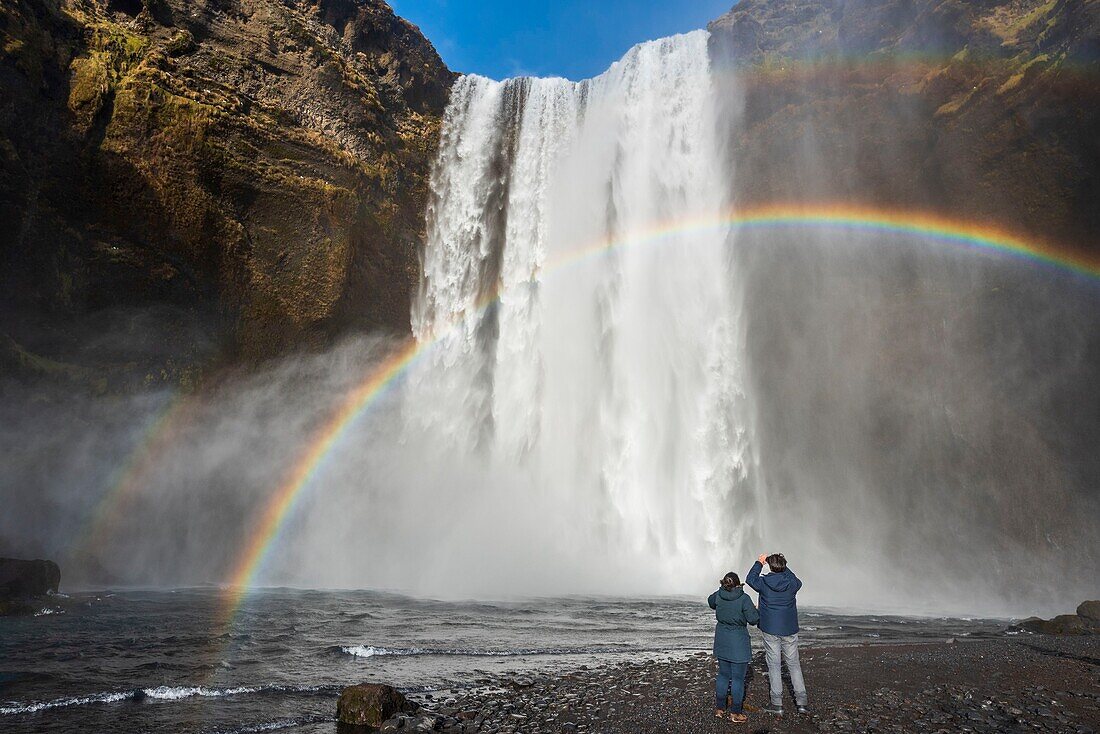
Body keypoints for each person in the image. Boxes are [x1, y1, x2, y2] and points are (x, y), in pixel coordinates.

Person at [746, 553, 808, 715]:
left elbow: (750, 579)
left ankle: (777, 704)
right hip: (789, 628)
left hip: (770, 629)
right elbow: (797, 579)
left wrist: (759, 563)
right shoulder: (792, 583)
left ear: (770, 566)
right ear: (783, 566)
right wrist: (782, 566)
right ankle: (802, 703)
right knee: (793, 664)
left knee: (774, 665)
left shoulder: (764, 583)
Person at [708, 571, 759, 724]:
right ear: (738, 584)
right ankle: (735, 712)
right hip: (738, 642)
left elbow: (710, 602)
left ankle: (719, 708)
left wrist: (721, 591)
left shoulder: (719, 594)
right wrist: (755, 609)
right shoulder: (744, 598)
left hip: (722, 640)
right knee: (738, 678)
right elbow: (753, 619)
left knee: (723, 674)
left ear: (724, 583)